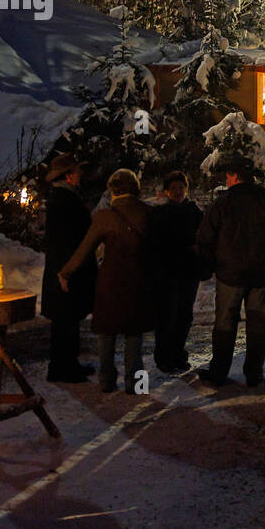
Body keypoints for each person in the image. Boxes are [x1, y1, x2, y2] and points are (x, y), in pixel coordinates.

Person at [195, 158, 265, 387]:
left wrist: (208, 265)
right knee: (258, 324)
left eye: (228, 176)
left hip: (230, 274)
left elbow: (205, 237)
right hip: (262, 274)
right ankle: (254, 373)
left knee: (225, 322)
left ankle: (219, 371)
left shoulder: (222, 203)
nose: (227, 180)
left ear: (235, 177)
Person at [59, 168, 153, 393]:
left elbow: (85, 250)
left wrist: (65, 272)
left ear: (112, 190)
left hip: (110, 281)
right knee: (134, 334)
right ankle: (134, 383)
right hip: (138, 281)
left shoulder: (104, 217)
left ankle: (107, 380)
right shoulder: (148, 213)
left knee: (106, 333)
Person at [40, 153, 96, 382]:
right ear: (69, 175)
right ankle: (65, 367)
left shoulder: (63, 198)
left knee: (67, 319)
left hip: (66, 268)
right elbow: (64, 240)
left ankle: (64, 365)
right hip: (67, 270)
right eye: (76, 171)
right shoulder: (64, 200)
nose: (80, 175)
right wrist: (67, 272)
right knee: (66, 319)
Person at [150, 171, 204, 372]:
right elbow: (156, 243)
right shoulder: (160, 214)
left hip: (189, 271)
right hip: (168, 272)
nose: (177, 191)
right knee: (167, 315)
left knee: (184, 315)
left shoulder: (194, 211)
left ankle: (178, 354)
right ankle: (164, 357)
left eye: (180, 187)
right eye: (173, 188)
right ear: (166, 191)